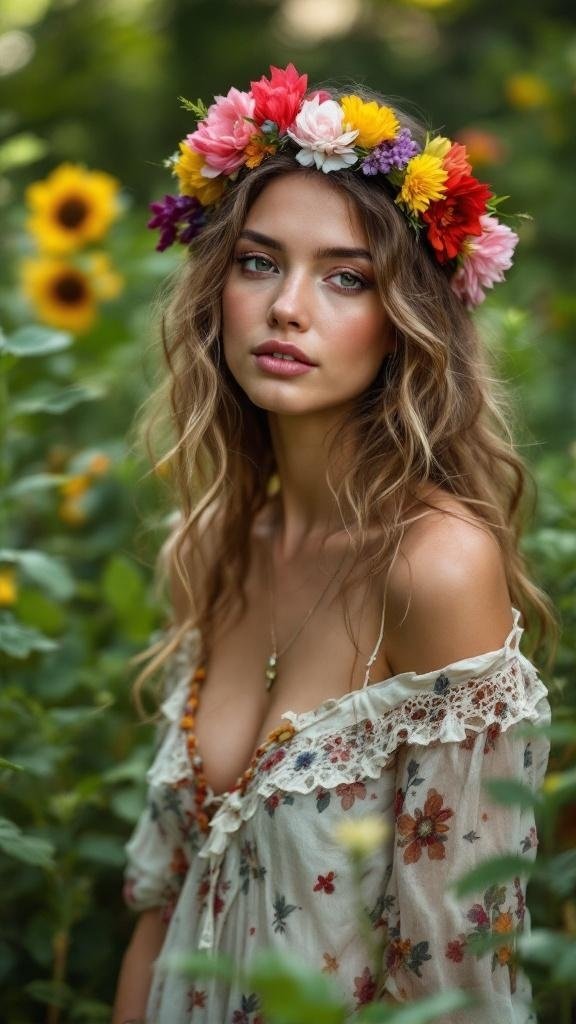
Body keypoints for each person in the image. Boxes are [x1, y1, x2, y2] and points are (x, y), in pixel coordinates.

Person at [112, 65, 557, 1024]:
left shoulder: (434, 567)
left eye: (347, 277)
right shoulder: (217, 543)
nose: (288, 307)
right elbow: (159, 917)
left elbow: (457, 981)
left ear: (406, 324)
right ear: (217, 288)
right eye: (259, 262)